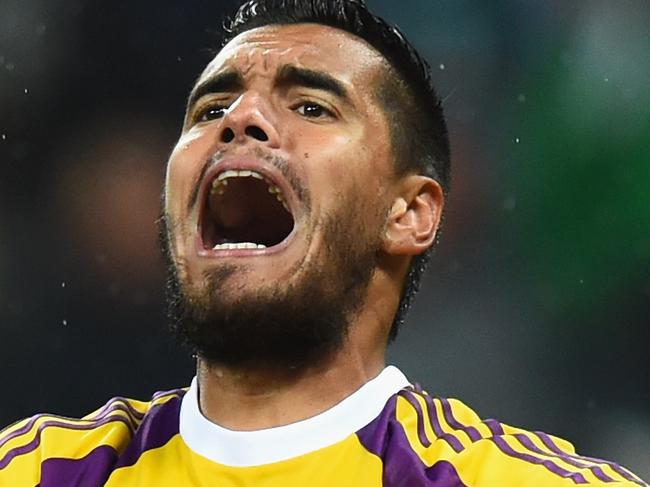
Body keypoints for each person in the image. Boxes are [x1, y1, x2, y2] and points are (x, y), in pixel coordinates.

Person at [0, 0, 646, 485]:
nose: (239, 120)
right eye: (207, 111)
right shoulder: (35, 470)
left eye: (311, 106)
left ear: (411, 213)